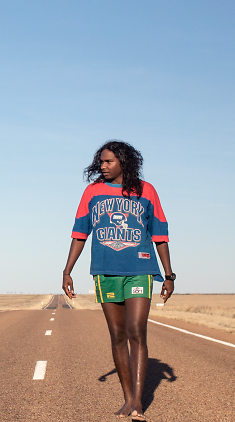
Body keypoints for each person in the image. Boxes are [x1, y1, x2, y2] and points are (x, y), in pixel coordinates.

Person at [62, 140, 175, 421]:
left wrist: (169, 274)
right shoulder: (92, 192)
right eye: (101, 161)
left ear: (124, 162)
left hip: (140, 268)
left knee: (136, 329)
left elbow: (160, 234)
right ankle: (128, 399)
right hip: (105, 270)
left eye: (109, 161)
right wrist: (67, 270)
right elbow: (80, 233)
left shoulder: (146, 191)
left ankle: (137, 402)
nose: (103, 166)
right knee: (117, 335)